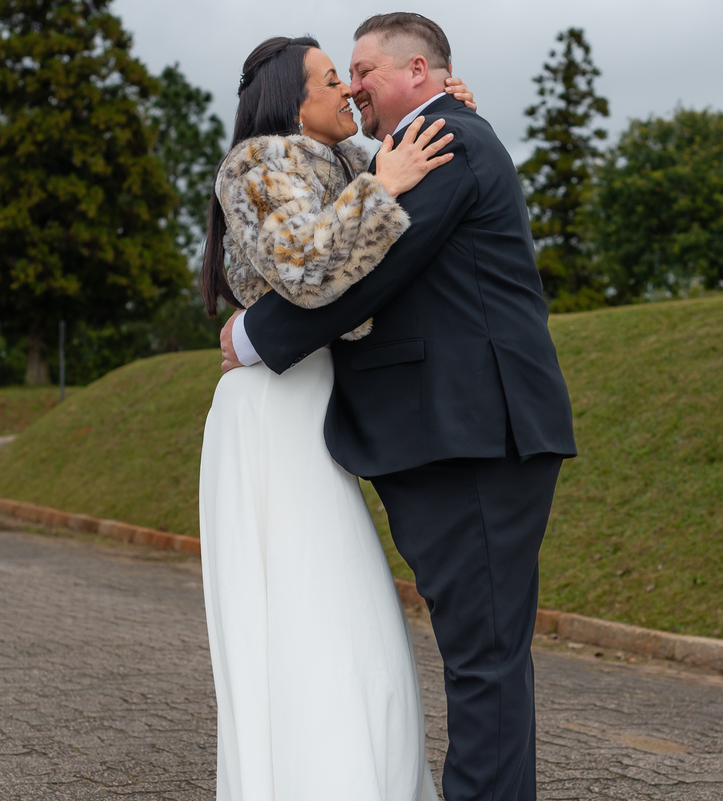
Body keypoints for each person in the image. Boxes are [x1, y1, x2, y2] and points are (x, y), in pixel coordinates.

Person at [220, 13, 577, 801]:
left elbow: (376, 268)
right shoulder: (404, 145)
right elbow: (350, 242)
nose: (352, 85)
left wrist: (254, 336)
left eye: (362, 69)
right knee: (488, 658)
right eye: (337, 74)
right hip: (461, 435)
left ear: (418, 71)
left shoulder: (443, 140)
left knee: (483, 661)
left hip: (473, 438)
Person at [199, 35, 476, 800]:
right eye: (333, 81)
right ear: (294, 99)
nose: (350, 94)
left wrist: (438, 112)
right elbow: (308, 269)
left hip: (318, 401)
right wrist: (384, 183)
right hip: (273, 412)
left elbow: (388, 200)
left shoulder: (349, 160)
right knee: (304, 607)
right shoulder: (259, 162)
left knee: (354, 612)